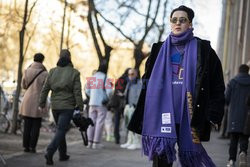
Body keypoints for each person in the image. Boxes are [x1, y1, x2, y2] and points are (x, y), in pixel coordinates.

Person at [128, 5, 225, 167]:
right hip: (162, 115)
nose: (178, 23)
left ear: (190, 24)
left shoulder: (204, 50)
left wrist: (214, 113)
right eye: (174, 20)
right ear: (170, 23)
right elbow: (147, 82)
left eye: (183, 20)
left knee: (189, 160)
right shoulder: (158, 50)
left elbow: (217, 85)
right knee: (161, 159)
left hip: (190, 115)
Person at [39, 49, 83, 165]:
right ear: (70, 58)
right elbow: (77, 92)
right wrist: (81, 107)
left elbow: (45, 89)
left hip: (55, 106)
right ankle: (50, 151)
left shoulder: (52, 71)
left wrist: (41, 103)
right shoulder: (74, 73)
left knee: (60, 129)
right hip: (67, 106)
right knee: (61, 129)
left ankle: (62, 154)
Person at [19, 53, 48, 153]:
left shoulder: (27, 70)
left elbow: (24, 85)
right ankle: (32, 147)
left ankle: (25, 147)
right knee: (36, 125)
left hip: (27, 101)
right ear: (42, 60)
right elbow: (46, 89)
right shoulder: (45, 73)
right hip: (38, 102)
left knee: (27, 125)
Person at [225, 64, 250, 167]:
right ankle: (243, 152)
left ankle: (231, 160)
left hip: (234, 115)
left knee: (233, 139)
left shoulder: (233, 82)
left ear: (239, 71)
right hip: (247, 116)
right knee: (244, 137)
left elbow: (226, 98)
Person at [85, 65, 112, 149]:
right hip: (101, 104)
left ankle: (89, 142)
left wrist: (92, 96)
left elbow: (87, 90)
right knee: (99, 122)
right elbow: (110, 91)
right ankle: (96, 142)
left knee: (91, 122)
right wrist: (107, 98)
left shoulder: (92, 77)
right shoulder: (105, 78)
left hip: (92, 103)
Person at [120, 68, 142, 150]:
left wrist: (135, 105)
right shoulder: (129, 83)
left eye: (132, 74)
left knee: (134, 125)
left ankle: (136, 142)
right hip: (128, 106)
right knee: (128, 125)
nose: (130, 76)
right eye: (129, 74)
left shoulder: (139, 83)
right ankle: (130, 141)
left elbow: (139, 95)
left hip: (133, 107)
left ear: (136, 74)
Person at [108, 68, 130, 144]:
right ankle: (127, 139)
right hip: (123, 103)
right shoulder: (128, 80)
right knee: (127, 121)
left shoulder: (119, 79)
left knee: (117, 121)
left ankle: (117, 138)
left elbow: (116, 91)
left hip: (116, 103)